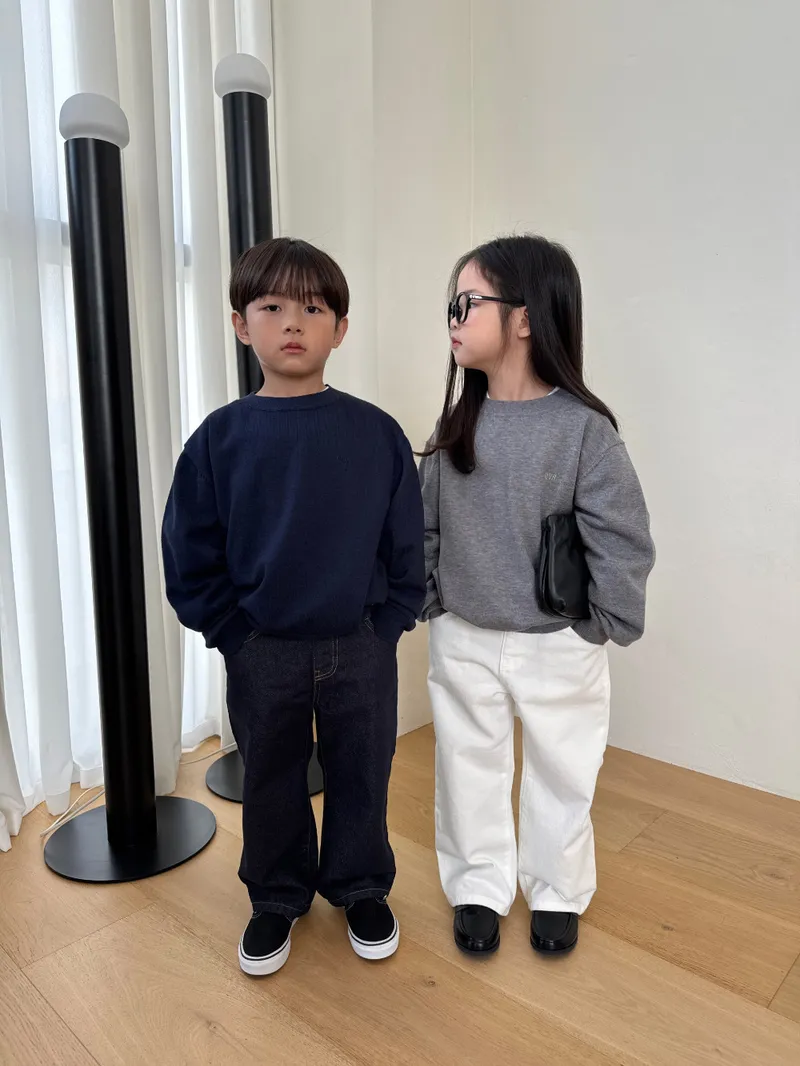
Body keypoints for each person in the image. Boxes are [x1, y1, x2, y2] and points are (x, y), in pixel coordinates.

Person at [162, 237, 425, 975]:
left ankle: (361, 885)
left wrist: (388, 623)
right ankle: (276, 895)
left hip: (360, 642)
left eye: (313, 308)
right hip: (262, 647)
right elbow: (189, 547)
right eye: (272, 306)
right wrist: (232, 632)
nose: (293, 323)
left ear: (340, 328)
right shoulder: (219, 440)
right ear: (240, 324)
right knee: (270, 775)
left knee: (363, 769)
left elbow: (406, 541)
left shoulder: (375, 433)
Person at [419, 234, 654, 957]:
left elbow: (621, 534)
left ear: (523, 318)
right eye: (452, 305)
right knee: (467, 765)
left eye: (468, 302)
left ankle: (556, 888)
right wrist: (431, 601)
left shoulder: (583, 431)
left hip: (558, 640)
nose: (454, 317)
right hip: (464, 633)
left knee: (563, 769)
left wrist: (604, 623)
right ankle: (478, 885)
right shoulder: (456, 425)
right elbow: (425, 522)